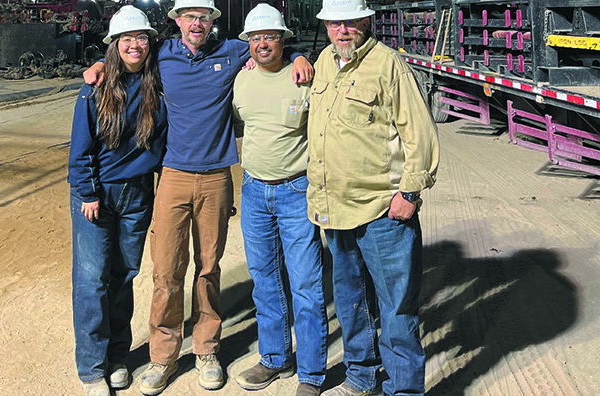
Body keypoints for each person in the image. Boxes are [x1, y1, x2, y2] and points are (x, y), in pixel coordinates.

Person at [83, 1, 314, 395]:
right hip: (172, 175)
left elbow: (267, 46)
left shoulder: (229, 51)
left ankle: (207, 351)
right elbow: (128, 53)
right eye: (189, 16)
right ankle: (163, 357)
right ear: (176, 21)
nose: (196, 23)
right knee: (166, 271)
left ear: (212, 22)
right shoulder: (163, 54)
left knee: (209, 268)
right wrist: (100, 67)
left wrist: (298, 55)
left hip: (216, 178)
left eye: (203, 17)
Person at [308, 1, 440, 395]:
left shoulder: (389, 65)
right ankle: (361, 376)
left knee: (396, 309)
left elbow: (420, 135)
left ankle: (403, 390)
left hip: (384, 210)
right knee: (351, 302)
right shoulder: (325, 63)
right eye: (334, 22)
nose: (342, 30)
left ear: (366, 21)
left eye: (350, 21)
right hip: (336, 208)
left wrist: (410, 191)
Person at [67, 6, 167, 396]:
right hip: (97, 195)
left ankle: (118, 357)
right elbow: (80, 149)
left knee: (123, 276)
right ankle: (92, 369)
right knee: (92, 281)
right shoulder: (95, 88)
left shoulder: (158, 81)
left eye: (141, 38)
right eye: (127, 39)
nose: (135, 45)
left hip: (138, 193)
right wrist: (89, 192)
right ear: (114, 45)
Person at [231, 4, 326, 396]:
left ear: (284, 39)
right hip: (254, 191)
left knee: (306, 283)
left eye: (270, 36)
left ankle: (311, 374)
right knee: (265, 280)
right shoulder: (241, 79)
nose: (262, 43)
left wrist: (304, 56)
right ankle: (274, 358)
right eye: (255, 38)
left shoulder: (305, 78)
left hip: (295, 190)